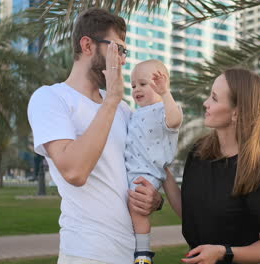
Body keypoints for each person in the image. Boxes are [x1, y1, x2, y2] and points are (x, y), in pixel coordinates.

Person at [27, 8, 162, 264]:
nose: (122, 60)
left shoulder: (124, 110)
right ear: (87, 45)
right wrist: (111, 99)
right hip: (86, 253)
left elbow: (138, 168)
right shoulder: (51, 98)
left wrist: (154, 199)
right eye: (117, 50)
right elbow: (75, 172)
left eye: (125, 52)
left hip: (131, 252)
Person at [163, 68, 260, 264]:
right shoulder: (198, 152)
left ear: (236, 113)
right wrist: (161, 171)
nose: (205, 103)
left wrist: (223, 252)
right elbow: (190, 214)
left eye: (214, 98)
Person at [125, 60, 183, 263]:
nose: (136, 90)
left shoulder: (163, 109)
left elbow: (175, 121)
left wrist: (166, 94)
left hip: (148, 171)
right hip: (133, 168)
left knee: (137, 208)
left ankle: (143, 253)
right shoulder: (135, 113)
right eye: (133, 86)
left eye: (143, 84)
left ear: (161, 84)